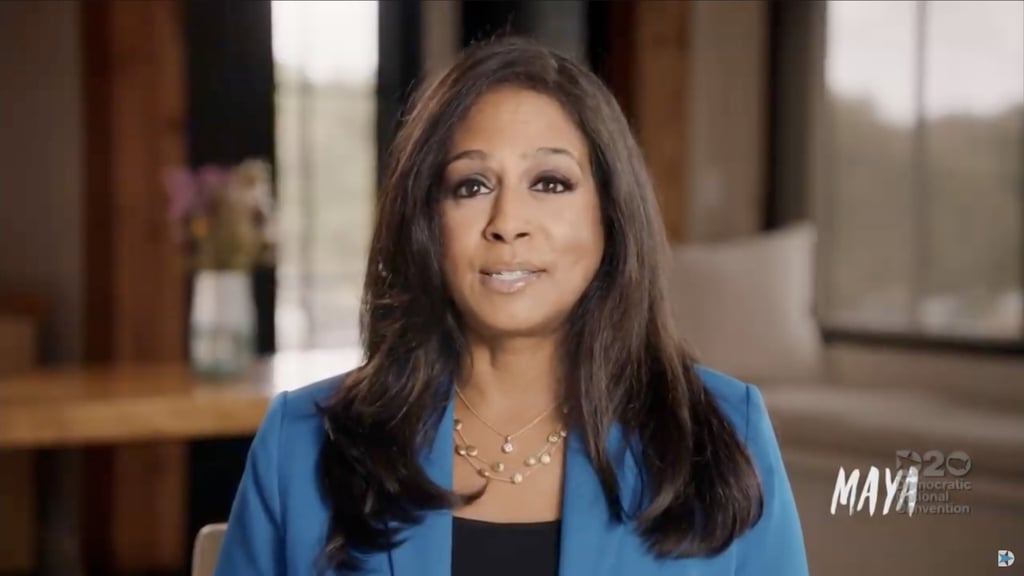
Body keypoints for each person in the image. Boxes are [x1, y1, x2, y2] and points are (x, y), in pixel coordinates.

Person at [216, 36, 808, 576]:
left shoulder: (724, 433)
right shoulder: (301, 443)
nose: (508, 224)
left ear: (609, 215)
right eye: (471, 186)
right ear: (427, 224)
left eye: (550, 182)